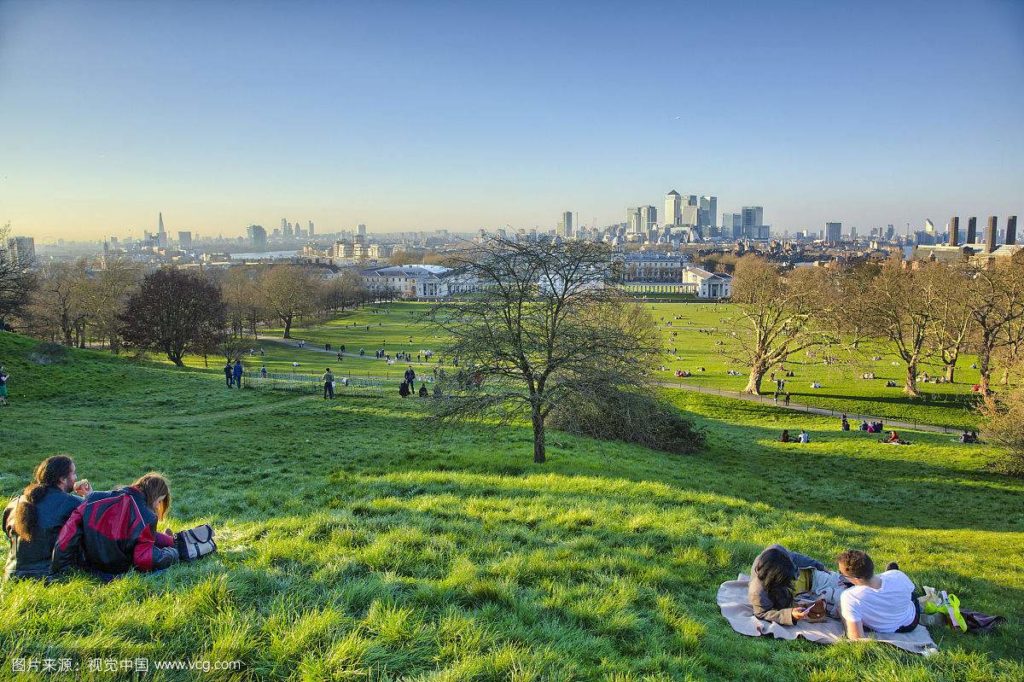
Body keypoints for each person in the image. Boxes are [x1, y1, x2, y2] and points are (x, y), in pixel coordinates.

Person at [52, 473, 180, 578]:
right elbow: (144, 560)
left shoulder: (93, 498)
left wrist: (60, 570)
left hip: (88, 567)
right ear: (154, 496)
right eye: (159, 501)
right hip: (116, 574)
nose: (158, 506)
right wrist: (172, 553)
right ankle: (172, 543)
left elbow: (66, 538)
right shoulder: (147, 517)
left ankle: (170, 539)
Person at [3, 456, 92, 580]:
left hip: (12, 575)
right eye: (73, 473)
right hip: (50, 576)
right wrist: (89, 498)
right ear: (62, 479)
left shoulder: (15, 502)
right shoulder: (74, 503)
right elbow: (94, 534)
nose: (76, 478)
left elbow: (8, 534)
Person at [837, 550, 918, 639]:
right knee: (910, 594)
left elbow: (856, 637)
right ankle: (889, 574)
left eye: (842, 574)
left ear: (855, 578)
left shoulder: (850, 597)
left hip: (883, 630)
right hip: (911, 622)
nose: (841, 575)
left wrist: (843, 614)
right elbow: (910, 590)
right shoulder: (898, 575)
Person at [748, 545, 828, 625]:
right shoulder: (758, 591)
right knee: (783, 602)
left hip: (777, 581)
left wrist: (818, 565)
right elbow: (762, 614)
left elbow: (796, 558)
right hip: (771, 590)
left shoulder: (779, 553)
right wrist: (790, 615)